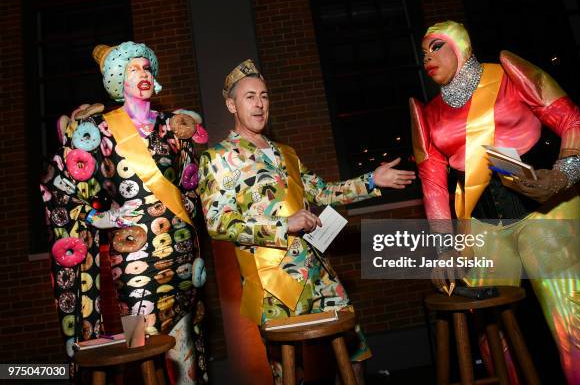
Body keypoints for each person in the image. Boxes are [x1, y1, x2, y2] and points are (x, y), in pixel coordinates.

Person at [410, 21, 580, 384]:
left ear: (461, 47)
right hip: (482, 225)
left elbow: (573, 123)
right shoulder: (428, 114)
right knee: (490, 338)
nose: (427, 55)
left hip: (546, 212)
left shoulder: (507, 73)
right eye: (424, 50)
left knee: (573, 327)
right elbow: (434, 187)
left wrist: (563, 174)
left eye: (436, 46)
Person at [198, 59, 415, 383]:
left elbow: (324, 192)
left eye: (264, 96)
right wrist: (284, 226)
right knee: (289, 371)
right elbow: (218, 224)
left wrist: (372, 181)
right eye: (249, 97)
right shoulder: (217, 159)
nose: (259, 104)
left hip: (318, 272)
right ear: (231, 104)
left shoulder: (286, 152)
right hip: (274, 283)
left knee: (354, 353)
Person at [41, 41, 208, 383]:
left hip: (179, 256)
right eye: (132, 69)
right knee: (140, 350)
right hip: (132, 264)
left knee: (185, 346)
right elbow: (61, 189)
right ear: (118, 78)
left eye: (146, 67)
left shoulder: (173, 127)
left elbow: (194, 189)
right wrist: (104, 219)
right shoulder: (99, 131)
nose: (142, 74)